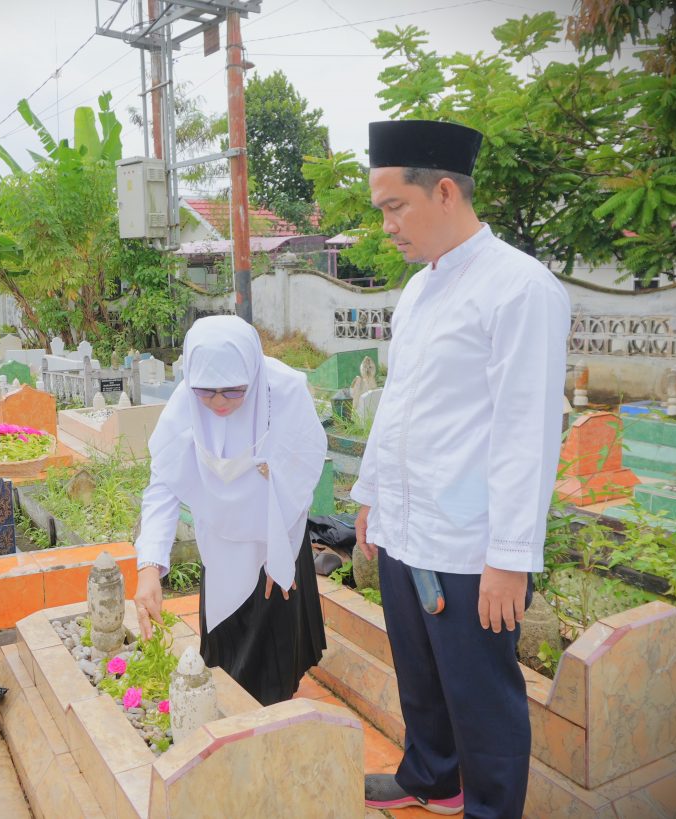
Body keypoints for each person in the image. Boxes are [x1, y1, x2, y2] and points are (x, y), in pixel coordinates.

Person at [353, 120, 570, 817]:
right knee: (422, 680)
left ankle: (491, 806)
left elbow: (525, 433)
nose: (386, 225)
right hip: (407, 529)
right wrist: (372, 496)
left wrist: (510, 557)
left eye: (394, 206)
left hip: (471, 547)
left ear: (444, 190)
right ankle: (433, 777)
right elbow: (399, 407)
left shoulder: (519, 288)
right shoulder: (419, 289)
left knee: (482, 696)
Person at [134, 315, 327, 706]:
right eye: (207, 392)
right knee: (225, 658)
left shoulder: (284, 391)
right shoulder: (186, 400)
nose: (218, 403)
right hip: (220, 543)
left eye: (233, 391)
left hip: (276, 536)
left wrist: (280, 554)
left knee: (275, 666)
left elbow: (299, 478)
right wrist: (149, 566)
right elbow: (164, 483)